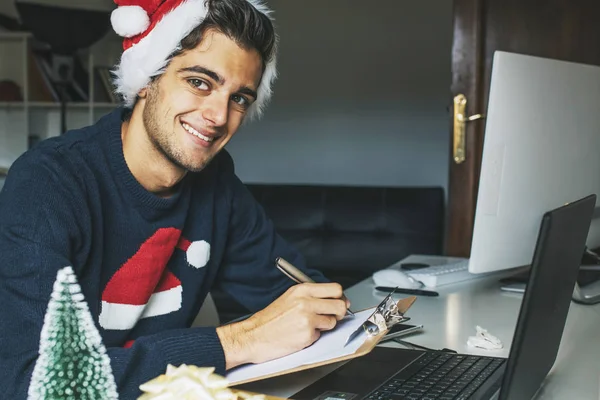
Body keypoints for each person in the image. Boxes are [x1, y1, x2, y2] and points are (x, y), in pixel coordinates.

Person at [0, 0, 350, 398]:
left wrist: (325, 310)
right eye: (200, 82)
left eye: (239, 99)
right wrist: (238, 342)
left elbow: (290, 291)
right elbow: (29, 380)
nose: (219, 116)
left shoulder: (216, 183)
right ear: (147, 79)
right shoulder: (48, 184)